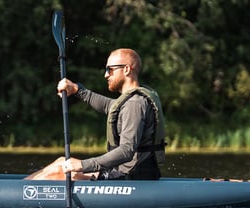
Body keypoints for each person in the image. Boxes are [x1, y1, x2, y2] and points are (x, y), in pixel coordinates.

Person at [26, 48, 166, 181]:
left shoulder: (135, 104)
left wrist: (82, 165)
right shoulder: (130, 101)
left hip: (131, 175)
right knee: (61, 161)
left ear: (127, 69)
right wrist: (77, 90)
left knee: (59, 170)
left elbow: (126, 151)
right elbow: (107, 106)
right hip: (127, 171)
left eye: (109, 69)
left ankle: (19, 190)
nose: (106, 75)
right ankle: (21, 185)